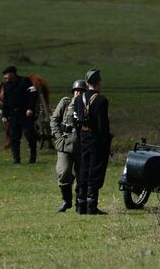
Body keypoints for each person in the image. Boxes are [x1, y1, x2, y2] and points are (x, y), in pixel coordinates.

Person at [73, 69, 112, 215]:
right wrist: (106, 141)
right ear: (98, 82)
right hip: (96, 140)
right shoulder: (101, 100)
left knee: (83, 171)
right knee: (94, 173)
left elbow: (77, 121)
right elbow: (103, 125)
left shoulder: (78, 99)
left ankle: (80, 205)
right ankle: (91, 206)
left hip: (83, 138)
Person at [50, 80, 85, 212]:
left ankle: (79, 203)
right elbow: (54, 121)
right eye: (76, 91)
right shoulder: (65, 103)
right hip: (65, 144)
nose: (78, 93)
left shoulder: (88, 106)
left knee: (81, 175)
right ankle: (66, 200)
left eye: (81, 91)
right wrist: (59, 137)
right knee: (63, 172)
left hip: (82, 146)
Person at [0, 65, 38, 165]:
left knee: (30, 136)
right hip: (13, 115)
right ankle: (16, 159)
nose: (5, 77)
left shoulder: (25, 81)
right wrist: (4, 115)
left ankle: (33, 157)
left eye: (6, 74)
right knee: (14, 138)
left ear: (12, 73)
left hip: (26, 114)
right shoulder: (6, 85)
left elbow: (33, 95)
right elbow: (6, 101)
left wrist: (30, 108)